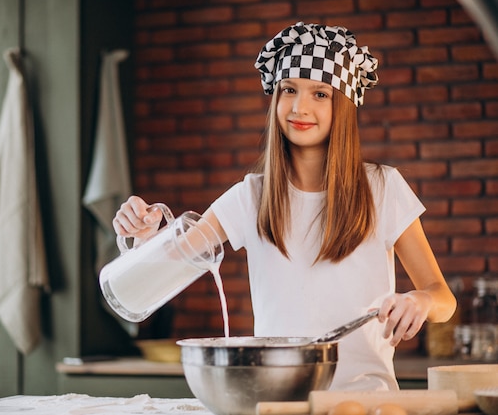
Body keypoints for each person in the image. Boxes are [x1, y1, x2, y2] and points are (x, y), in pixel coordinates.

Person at [112, 22, 457, 391]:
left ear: (343, 105)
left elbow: (442, 297)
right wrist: (146, 238)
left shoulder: (383, 188)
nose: (299, 107)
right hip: (279, 400)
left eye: (320, 94)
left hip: (366, 398)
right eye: (288, 90)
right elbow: (165, 265)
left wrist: (419, 301)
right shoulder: (250, 196)